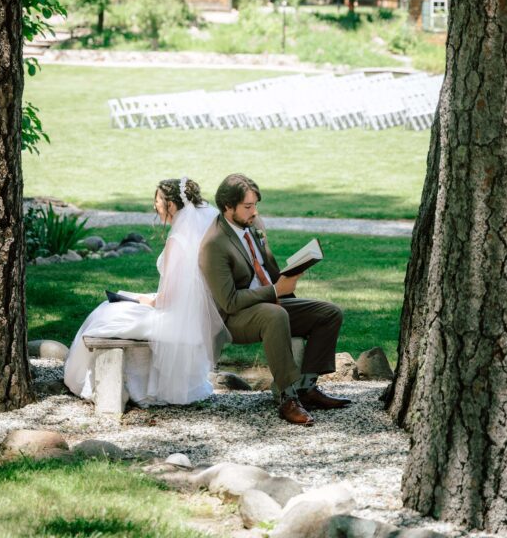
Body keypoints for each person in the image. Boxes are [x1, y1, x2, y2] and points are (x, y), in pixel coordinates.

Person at [199, 172, 351, 427]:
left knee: (329, 313)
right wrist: (275, 292)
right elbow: (229, 302)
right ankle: (287, 398)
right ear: (228, 207)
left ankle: (306, 388)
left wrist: (292, 273)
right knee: (276, 315)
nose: (254, 212)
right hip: (234, 318)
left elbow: (268, 268)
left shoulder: (255, 225)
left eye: (256, 205)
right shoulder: (214, 243)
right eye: (248, 207)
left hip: (270, 302)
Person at [64, 177, 230, 406]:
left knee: (104, 314)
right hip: (189, 314)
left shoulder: (178, 241)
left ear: (171, 205)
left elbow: (167, 300)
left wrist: (140, 299)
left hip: (174, 316)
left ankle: (99, 383)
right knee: (112, 309)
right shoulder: (199, 237)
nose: (155, 206)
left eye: (158, 201)